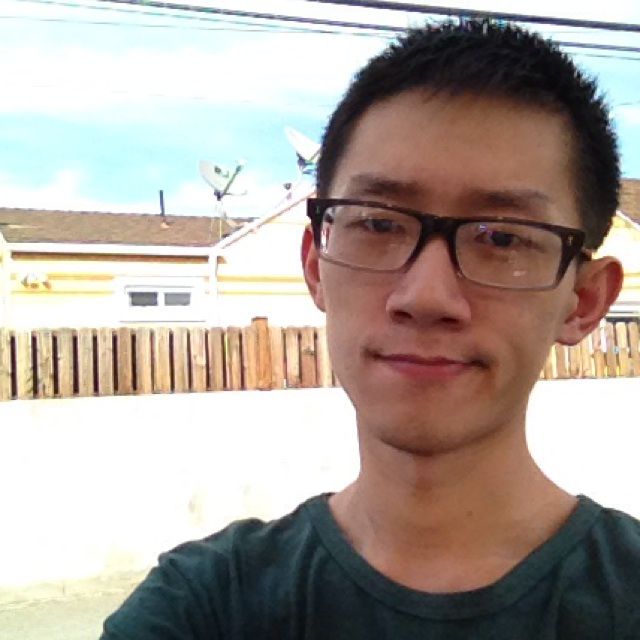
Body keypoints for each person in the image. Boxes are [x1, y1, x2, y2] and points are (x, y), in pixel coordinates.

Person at [101, 20, 640, 639]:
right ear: (316, 268)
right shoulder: (203, 605)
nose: (426, 297)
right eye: (379, 225)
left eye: (501, 238)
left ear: (583, 301)